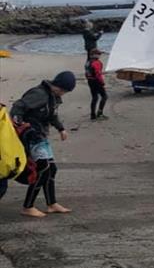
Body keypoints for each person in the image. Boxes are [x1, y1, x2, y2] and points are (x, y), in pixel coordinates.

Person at [11, 71, 76, 218]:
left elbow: (52, 115)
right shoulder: (39, 94)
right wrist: (20, 126)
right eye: (63, 90)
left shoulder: (53, 96)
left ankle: (51, 204)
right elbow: (17, 107)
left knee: (52, 169)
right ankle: (28, 207)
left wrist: (61, 129)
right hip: (31, 136)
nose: (63, 93)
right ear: (57, 84)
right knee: (43, 168)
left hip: (41, 136)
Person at [85, 48, 108, 120]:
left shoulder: (88, 62)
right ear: (94, 55)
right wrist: (102, 82)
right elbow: (98, 74)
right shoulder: (97, 62)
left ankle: (93, 115)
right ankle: (100, 113)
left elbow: (86, 72)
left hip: (90, 81)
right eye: (98, 54)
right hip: (96, 81)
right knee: (104, 96)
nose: (99, 55)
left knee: (95, 97)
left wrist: (88, 78)